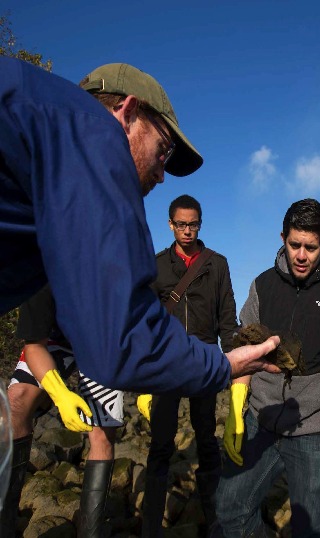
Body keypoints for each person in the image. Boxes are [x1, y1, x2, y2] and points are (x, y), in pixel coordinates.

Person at [0, 58, 280, 398]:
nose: (162, 175)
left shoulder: (44, 130)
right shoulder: (93, 133)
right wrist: (226, 366)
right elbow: (121, 341)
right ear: (127, 112)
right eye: (163, 151)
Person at [215, 199, 320, 537]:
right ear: (283, 238)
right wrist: (234, 413)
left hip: (316, 427)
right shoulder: (261, 286)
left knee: (311, 528)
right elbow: (244, 349)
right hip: (260, 417)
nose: (301, 255)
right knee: (230, 511)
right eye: (294, 245)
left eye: (311, 247)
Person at [137, 194, 238, 536]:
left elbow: (228, 318)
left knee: (207, 438)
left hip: (206, 362)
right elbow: (146, 322)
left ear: (200, 224)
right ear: (170, 225)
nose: (187, 230)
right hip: (167, 365)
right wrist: (143, 374)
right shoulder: (157, 265)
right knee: (160, 444)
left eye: (193, 224)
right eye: (180, 224)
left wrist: (232, 367)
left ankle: (214, 519)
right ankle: (151, 526)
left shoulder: (217, 264)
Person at [3, 284, 124, 537]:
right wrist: (59, 394)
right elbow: (35, 346)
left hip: (104, 344)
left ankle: (90, 531)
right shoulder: (41, 268)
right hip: (53, 341)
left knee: (102, 432)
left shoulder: (116, 267)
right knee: (14, 405)